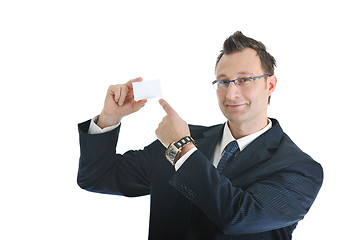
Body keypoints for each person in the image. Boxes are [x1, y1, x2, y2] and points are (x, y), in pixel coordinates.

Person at [77, 31, 323, 239]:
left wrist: (182, 148)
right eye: (223, 82)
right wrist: (110, 118)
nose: (231, 93)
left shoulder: (299, 169)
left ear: (270, 85)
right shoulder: (181, 139)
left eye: (245, 79)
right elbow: (96, 178)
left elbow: (236, 217)